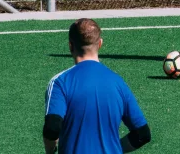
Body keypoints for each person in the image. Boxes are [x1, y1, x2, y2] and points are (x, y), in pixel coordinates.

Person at [43, 18, 151, 154]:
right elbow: (143, 134)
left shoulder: (60, 83)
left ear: (71, 45)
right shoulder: (118, 82)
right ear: (100, 44)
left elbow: (52, 128)